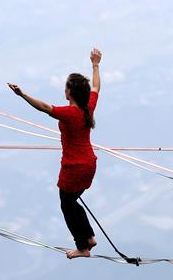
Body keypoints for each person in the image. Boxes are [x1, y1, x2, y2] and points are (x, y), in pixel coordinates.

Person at [8, 47, 102, 258]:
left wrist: (22, 95)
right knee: (71, 201)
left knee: (67, 205)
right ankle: (88, 238)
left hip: (74, 167)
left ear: (69, 92)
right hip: (89, 164)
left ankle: (83, 247)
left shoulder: (70, 113)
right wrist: (95, 65)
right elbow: (96, 86)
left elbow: (44, 107)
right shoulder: (88, 107)